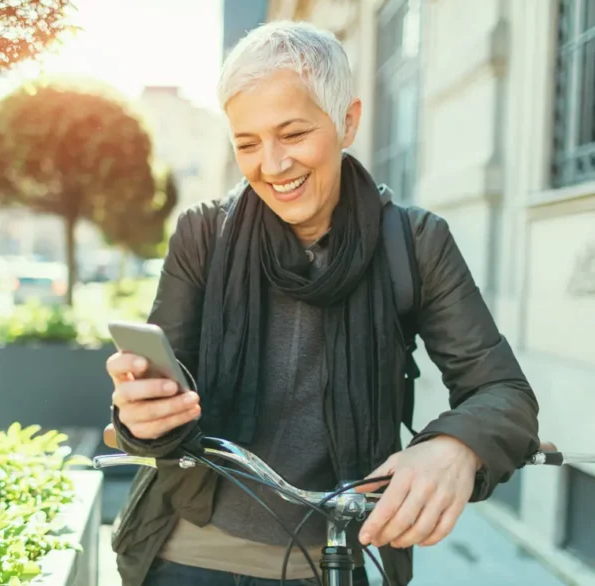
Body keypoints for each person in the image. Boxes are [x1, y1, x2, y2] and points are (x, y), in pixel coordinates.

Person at [105, 20, 540, 586]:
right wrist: (139, 415)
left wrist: (455, 446)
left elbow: (504, 392)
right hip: (187, 550)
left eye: (293, 133)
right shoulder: (202, 235)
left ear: (348, 121)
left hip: (334, 556)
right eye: (247, 143)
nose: (272, 164)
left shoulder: (415, 243)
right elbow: (159, 415)